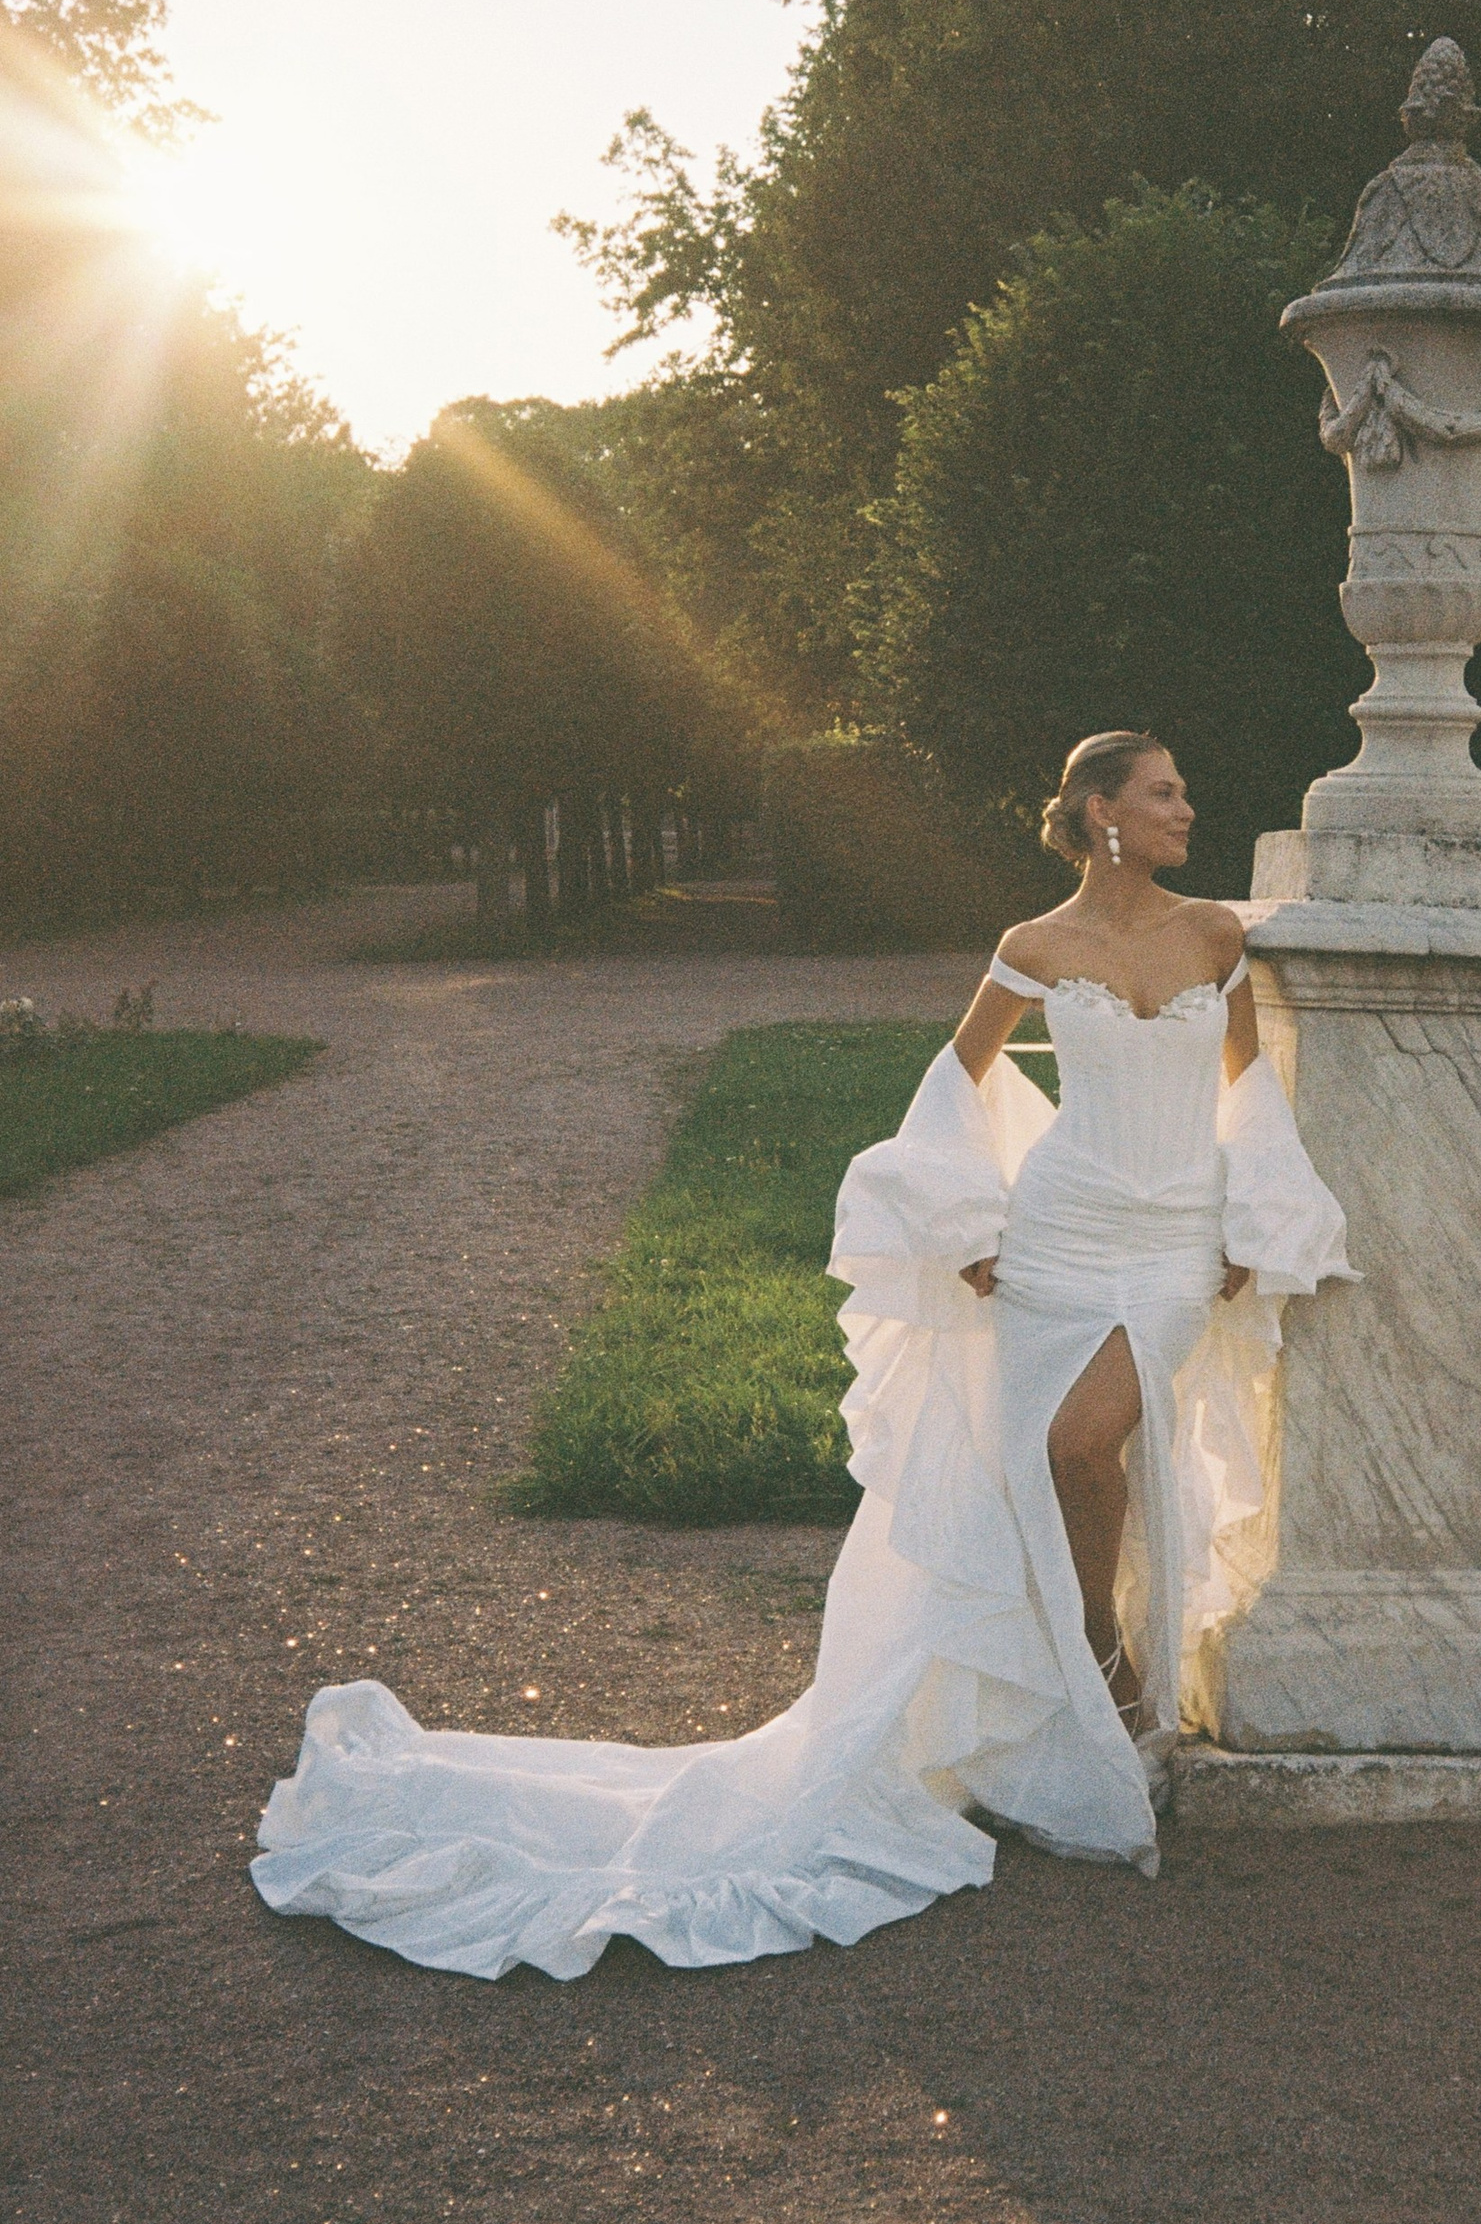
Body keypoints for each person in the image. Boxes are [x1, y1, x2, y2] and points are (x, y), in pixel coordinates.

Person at [251, 731, 1352, 1978]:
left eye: (1179, 788)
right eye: (1162, 790)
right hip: (1058, 1230)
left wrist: (1256, 1219)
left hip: (1164, 1248)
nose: (1183, 806)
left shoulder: (1214, 935)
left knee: (1077, 1443)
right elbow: (956, 1074)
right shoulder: (1032, 949)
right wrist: (965, 1223)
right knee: (1052, 1454)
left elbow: (1246, 1092)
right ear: (1102, 813)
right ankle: (1104, 1668)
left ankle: (1106, 1668)